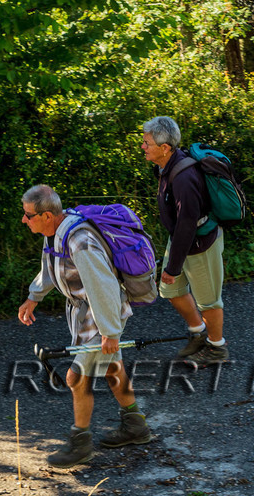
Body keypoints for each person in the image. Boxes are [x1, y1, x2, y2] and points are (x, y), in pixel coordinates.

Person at [17, 184, 153, 467]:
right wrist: (34, 297)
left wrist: (109, 332)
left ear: (46, 215)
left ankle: (80, 445)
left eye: (28, 215)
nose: (24, 220)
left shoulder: (80, 241)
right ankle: (135, 426)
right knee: (112, 367)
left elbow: (102, 287)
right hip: (86, 312)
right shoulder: (53, 233)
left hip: (102, 312)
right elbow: (50, 266)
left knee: (76, 377)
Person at [139, 116, 229, 365]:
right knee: (170, 290)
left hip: (201, 243)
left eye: (146, 143)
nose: (143, 147)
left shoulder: (183, 177)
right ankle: (198, 333)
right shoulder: (166, 166)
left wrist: (173, 266)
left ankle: (217, 348)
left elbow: (188, 224)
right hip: (181, 239)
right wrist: (172, 268)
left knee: (209, 300)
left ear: (165, 148)